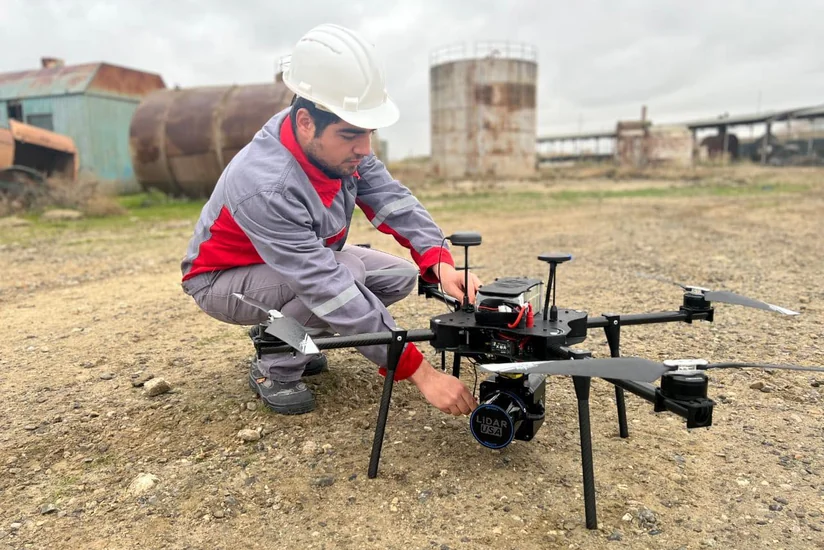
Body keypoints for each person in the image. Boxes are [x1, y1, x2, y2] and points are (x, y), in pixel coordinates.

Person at [180, 23, 481, 416]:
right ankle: (275, 366)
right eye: (352, 134)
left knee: (399, 276)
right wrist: (419, 372)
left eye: (369, 132)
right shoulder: (265, 184)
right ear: (306, 121)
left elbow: (392, 200)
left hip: (288, 266)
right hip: (221, 279)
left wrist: (438, 262)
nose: (365, 148)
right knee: (346, 275)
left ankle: (288, 335)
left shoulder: (335, 144)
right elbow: (325, 285)